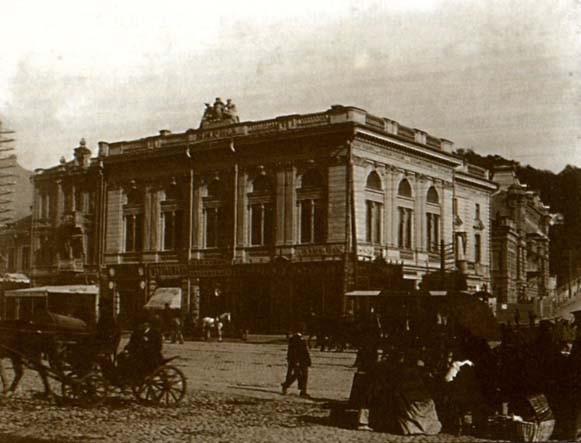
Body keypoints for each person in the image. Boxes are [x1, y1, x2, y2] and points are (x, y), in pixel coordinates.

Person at [281, 322, 312, 398]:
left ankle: (303, 391)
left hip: (303, 361)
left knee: (304, 375)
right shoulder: (296, 339)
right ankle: (286, 385)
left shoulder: (299, 338)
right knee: (298, 375)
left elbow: (305, 351)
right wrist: (297, 361)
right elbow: (294, 352)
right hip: (299, 360)